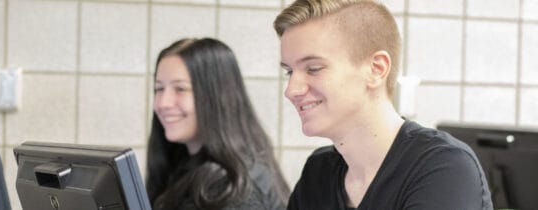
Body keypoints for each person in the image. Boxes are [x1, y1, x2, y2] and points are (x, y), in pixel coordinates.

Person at [274, 0, 493, 209]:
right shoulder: (318, 173)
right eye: (290, 72)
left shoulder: (444, 168)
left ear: (376, 69)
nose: (291, 90)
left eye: (313, 68)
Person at [146, 38, 290, 210]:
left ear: (217, 96)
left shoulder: (237, 187)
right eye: (159, 89)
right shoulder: (181, 165)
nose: (163, 103)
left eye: (180, 89)